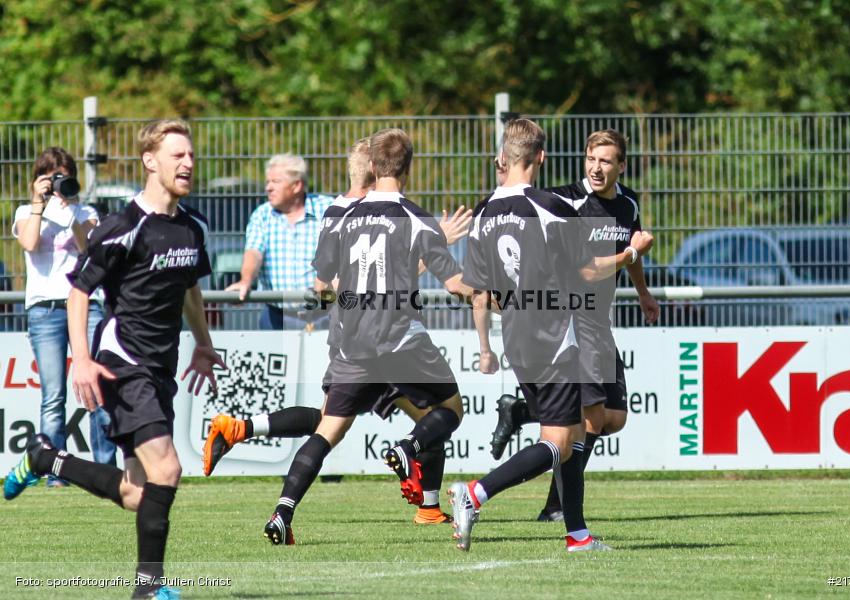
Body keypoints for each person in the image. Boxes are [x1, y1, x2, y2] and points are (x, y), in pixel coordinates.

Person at [3, 119, 224, 600]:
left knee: (138, 494)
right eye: (176, 155)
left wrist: (203, 342)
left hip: (160, 368)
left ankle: (46, 458)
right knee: (167, 470)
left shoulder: (193, 227)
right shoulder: (122, 227)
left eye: (190, 155)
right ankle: (148, 589)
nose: (187, 163)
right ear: (150, 161)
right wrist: (81, 358)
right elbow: (79, 291)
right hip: (123, 363)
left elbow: (190, 286)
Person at [203, 137, 471, 526]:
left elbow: (327, 288)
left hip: (349, 339)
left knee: (331, 423)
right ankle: (426, 502)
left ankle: (249, 440)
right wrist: (435, 246)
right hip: (387, 335)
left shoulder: (337, 212)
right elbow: (378, 283)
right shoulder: (397, 216)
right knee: (435, 414)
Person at [448, 119, 653, 553]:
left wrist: (485, 345)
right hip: (556, 333)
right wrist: (633, 252)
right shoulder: (551, 206)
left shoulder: (484, 211)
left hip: (517, 335)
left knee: (577, 431)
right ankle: (476, 493)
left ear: (505, 157)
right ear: (541, 157)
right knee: (558, 442)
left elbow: (479, 291)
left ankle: (577, 534)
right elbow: (588, 270)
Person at [12, 147, 117, 485]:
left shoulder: (87, 212)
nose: (59, 182)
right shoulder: (26, 211)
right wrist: (39, 204)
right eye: (51, 176)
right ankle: (55, 473)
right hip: (44, 308)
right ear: (39, 179)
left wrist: (71, 210)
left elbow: (87, 247)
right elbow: (29, 243)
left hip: (86, 304)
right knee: (53, 395)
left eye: (64, 176)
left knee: (97, 387)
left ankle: (106, 469)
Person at [226, 154, 334, 330]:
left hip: (325, 315)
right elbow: (254, 252)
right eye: (268, 182)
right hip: (276, 317)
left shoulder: (327, 209)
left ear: (296, 185)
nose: (268, 188)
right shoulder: (262, 215)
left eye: (275, 182)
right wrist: (245, 280)